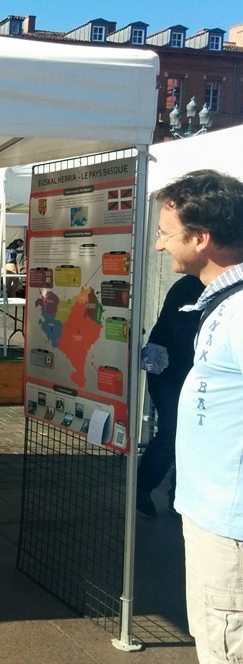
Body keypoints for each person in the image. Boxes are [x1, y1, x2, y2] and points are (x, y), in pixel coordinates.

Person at [152, 169, 243, 664]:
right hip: (213, 521)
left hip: (231, 532)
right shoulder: (220, 302)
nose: (161, 245)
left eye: (167, 234)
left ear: (201, 238)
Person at [136, 274, 204, 518]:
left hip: (192, 374)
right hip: (170, 372)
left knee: (189, 435)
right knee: (172, 431)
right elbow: (185, 334)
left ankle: (177, 496)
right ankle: (143, 487)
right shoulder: (188, 288)